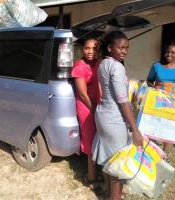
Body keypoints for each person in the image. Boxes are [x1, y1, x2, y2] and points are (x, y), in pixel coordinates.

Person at [92, 31, 143, 200]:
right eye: (120, 47)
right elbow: (122, 100)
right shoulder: (117, 67)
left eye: (126, 48)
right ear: (109, 48)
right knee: (118, 164)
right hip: (114, 118)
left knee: (109, 160)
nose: (124, 51)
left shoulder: (103, 64)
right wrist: (135, 129)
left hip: (103, 115)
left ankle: (108, 195)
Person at [146, 40, 175, 152]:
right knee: (155, 123)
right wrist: (155, 90)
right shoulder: (156, 66)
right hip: (159, 98)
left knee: (170, 124)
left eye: (173, 52)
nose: (169, 54)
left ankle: (164, 154)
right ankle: (151, 150)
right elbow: (149, 81)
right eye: (167, 52)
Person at [71, 38, 101, 192]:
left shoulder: (98, 64)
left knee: (100, 137)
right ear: (83, 50)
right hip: (87, 107)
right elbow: (82, 94)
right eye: (88, 48)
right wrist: (95, 109)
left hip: (98, 104)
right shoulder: (79, 67)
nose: (91, 51)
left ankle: (99, 171)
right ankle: (91, 177)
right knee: (90, 140)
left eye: (94, 49)